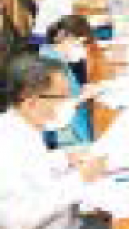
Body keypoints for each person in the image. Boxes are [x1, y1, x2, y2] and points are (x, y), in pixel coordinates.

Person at [0, 52, 111, 229]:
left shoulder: (20, 124)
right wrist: (81, 178)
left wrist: (65, 158)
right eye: (62, 97)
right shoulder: (1, 149)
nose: (70, 103)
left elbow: (31, 166)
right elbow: (17, 223)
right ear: (31, 103)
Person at [40, 15, 99, 148]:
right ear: (64, 37)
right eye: (78, 44)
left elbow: (68, 91)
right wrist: (83, 96)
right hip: (66, 130)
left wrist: (83, 90)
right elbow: (56, 110)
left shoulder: (52, 54)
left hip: (74, 117)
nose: (81, 49)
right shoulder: (51, 65)